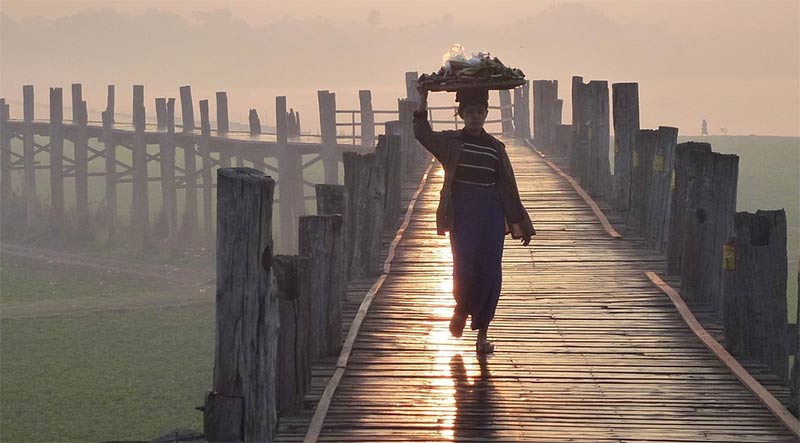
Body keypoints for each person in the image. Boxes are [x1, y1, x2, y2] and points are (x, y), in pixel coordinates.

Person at [413, 85, 536, 353]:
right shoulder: (450, 143)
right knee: (465, 268)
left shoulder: (495, 148)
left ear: (486, 113)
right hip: (462, 215)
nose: (475, 117)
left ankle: (482, 336)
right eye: (470, 112)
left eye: (480, 112)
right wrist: (423, 98)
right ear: (461, 114)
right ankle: (461, 309)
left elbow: (508, 188)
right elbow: (422, 133)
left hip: (491, 215)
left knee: (490, 274)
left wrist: (521, 222)